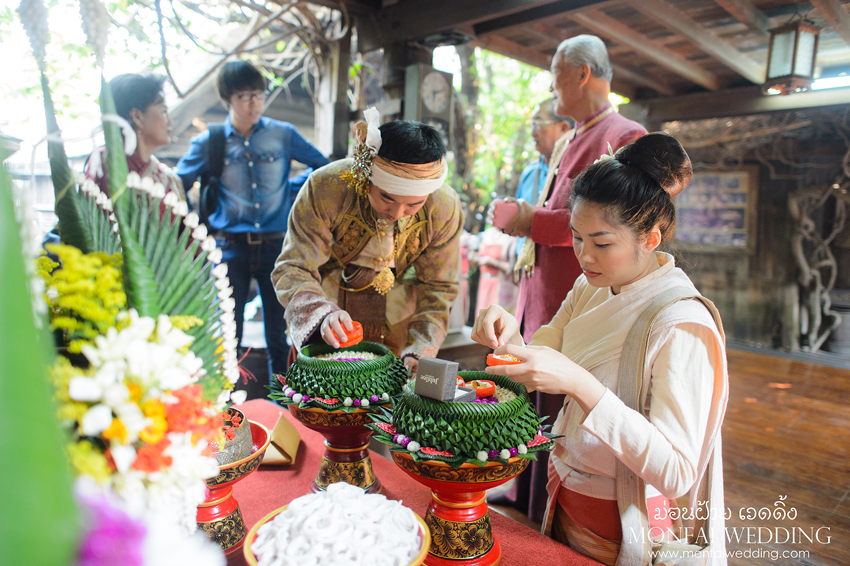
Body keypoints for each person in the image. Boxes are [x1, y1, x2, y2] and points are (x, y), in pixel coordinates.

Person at [473, 133, 728, 566]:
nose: (583, 257)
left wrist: (581, 386)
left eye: (602, 243)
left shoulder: (681, 323)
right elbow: (541, 351)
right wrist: (507, 339)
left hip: (631, 528)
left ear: (651, 238)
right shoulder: (591, 287)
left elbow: (678, 471)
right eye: (576, 238)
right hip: (566, 502)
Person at [495, 37, 648, 523]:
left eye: (556, 72)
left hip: (578, 292)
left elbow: (608, 225)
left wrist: (527, 220)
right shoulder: (572, 136)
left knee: (562, 401)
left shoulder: (626, 135)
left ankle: (548, 507)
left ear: (582, 73)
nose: (551, 84)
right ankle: (526, 494)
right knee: (532, 395)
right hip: (543, 289)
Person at [272, 109, 463, 374]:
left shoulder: (443, 205)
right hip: (328, 320)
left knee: (390, 406)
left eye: (414, 204)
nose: (396, 214)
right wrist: (320, 314)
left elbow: (440, 286)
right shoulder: (326, 187)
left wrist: (421, 348)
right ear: (366, 176)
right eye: (387, 198)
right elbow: (293, 267)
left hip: (400, 328)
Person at [176, 60, 330, 378]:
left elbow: (323, 167)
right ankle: (226, 405)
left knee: (278, 334)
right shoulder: (209, 141)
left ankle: (279, 407)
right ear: (227, 100)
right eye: (245, 96)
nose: (254, 104)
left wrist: (288, 191)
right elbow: (176, 184)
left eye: (259, 95)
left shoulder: (282, 134)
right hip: (229, 248)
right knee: (227, 333)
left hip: (276, 249)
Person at [86, 74, 185, 201]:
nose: (170, 122)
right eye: (164, 112)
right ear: (137, 117)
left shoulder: (167, 178)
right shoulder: (105, 163)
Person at [511, 99, 573, 261]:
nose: (532, 133)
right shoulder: (529, 172)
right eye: (531, 125)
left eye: (538, 124)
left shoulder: (574, 173)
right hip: (523, 265)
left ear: (563, 128)